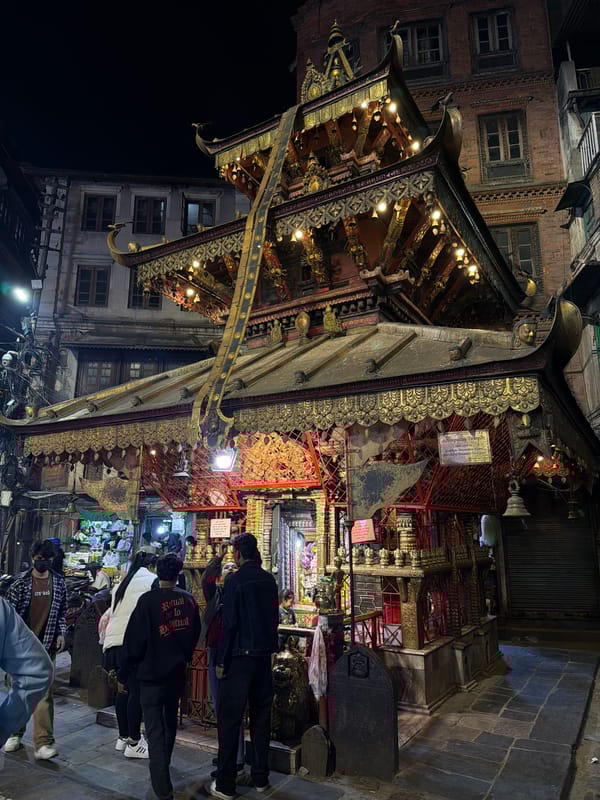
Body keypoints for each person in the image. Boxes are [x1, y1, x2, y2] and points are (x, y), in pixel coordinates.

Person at [120, 554, 201, 800]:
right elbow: (195, 634)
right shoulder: (188, 601)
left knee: (155, 730)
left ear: (157, 572)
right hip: (175, 674)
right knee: (169, 725)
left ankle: (162, 787)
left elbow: (133, 641)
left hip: (151, 677)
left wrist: (125, 671)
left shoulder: (148, 602)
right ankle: (163, 768)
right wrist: (183, 656)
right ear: (178, 574)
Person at [209, 533, 279, 800]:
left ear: (238, 553)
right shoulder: (269, 580)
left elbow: (230, 625)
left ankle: (226, 784)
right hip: (263, 658)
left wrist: (222, 660)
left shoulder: (234, 581)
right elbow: (273, 620)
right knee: (261, 720)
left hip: (239, 659)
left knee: (230, 721)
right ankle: (260, 777)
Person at [4, 539, 67, 759]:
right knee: (19, 692)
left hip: (46, 645)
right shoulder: (20, 583)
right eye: (40, 559)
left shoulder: (58, 583)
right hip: (20, 648)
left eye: (47, 559)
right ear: (33, 558)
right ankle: (14, 734)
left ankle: (43, 743)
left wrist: (61, 632)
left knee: (44, 694)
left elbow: (62, 612)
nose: (43, 563)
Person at [102, 550, 157, 759]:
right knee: (135, 691)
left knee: (122, 691)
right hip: (131, 644)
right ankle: (134, 742)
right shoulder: (151, 581)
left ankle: (123, 736)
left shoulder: (122, 584)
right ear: (152, 566)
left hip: (113, 644)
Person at [201, 555, 245, 780]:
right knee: (220, 706)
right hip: (215, 651)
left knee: (233, 708)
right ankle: (226, 753)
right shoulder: (216, 594)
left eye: (234, 566)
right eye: (226, 567)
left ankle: (236, 758)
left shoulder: (241, 594)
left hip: (233, 654)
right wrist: (219, 556)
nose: (230, 569)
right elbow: (206, 578)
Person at [0, 596, 54, 750]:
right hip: (24, 643)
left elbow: (61, 613)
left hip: (40, 641)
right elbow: (38, 672)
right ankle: (16, 734)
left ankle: (42, 740)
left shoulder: (57, 586)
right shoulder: (17, 588)